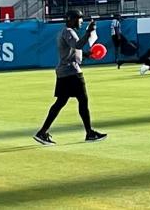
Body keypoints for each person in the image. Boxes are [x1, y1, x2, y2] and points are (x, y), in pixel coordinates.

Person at [34, 11, 106, 145]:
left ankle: (42, 132)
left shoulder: (66, 32)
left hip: (65, 71)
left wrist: (86, 55)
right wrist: (88, 32)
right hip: (71, 72)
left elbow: (72, 51)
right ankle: (89, 133)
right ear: (71, 20)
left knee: (60, 103)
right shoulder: (68, 31)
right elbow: (77, 45)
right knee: (83, 101)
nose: (81, 22)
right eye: (79, 19)